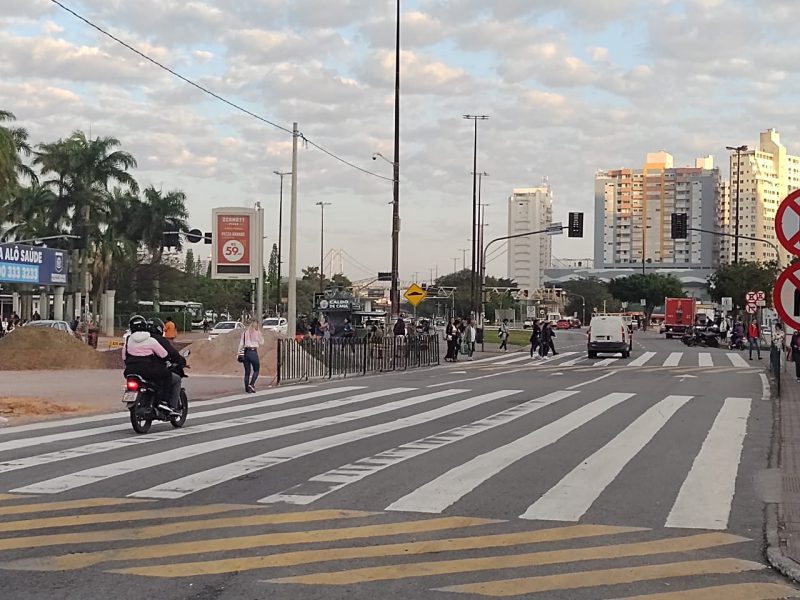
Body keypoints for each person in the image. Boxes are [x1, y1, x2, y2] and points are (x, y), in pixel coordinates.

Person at [122, 315, 172, 412]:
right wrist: (167, 359)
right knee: (167, 375)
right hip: (147, 370)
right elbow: (164, 354)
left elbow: (124, 357)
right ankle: (163, 402)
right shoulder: (151, 340)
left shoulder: (128, 340)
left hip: (129, 371)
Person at [147, 318, 186, 410]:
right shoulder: (159, 340)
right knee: (176, 379)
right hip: (154, 370)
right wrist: (181, 361)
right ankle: (171, 405)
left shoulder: (138, 340)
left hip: (136, 370)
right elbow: (171, 353)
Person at [238, 320, 264, 393]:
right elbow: (262, 342)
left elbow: (241, 344)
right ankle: (251, 384)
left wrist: (238, 353)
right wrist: (260, 335)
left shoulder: (245, 333)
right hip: (253, 352)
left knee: (247, 371)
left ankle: (247, 388)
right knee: (256, 369)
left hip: (246, 352)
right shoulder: (257, 332)